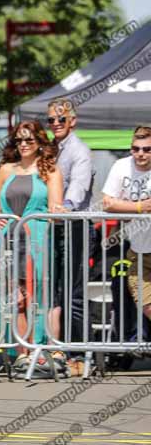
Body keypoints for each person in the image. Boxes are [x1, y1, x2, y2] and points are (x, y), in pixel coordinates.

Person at [0, 121, 63, 360]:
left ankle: (39, 349)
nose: (24, 145)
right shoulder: (6, 169)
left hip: (37, 240)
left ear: (40, 142)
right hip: (8, 239)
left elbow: (55, 208)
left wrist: (57, 213)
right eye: (19, 140)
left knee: (36, 297)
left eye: (29, 140)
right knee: (15, 298)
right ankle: (20, 353)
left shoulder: (50, 170)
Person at [45, 98, 94, 351]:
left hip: (75, 225)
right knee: (54, 291)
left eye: (60, 118)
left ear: (72, 121)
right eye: (51, 119)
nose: (55, 123)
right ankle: (60, 350)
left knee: (72, 293)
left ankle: (81, 353)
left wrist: (66, 205)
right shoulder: (51, 149)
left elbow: (79, 185)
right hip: (54, 226)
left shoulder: (79, 150)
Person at [102, 125, 151, 330]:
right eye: (135, 148)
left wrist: (126, 207)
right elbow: (107, 203)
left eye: (147, 149)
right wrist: (140, 207)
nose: (140, 153)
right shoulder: (121, 166)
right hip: (138, 252)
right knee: (147, 305)